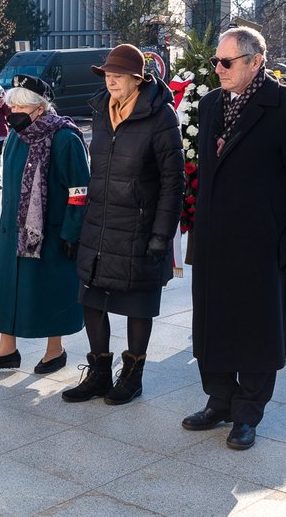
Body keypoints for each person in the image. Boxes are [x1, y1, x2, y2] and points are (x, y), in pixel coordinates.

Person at [182, 27, 286, 451]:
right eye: (216, 62)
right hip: (213, 236)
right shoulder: (210, 104)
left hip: (261, 239)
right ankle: (219, 400)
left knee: (258, 329)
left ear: (255, 61)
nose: (218, 69)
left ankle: (247, 413)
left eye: (227, 62)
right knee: (213, 323)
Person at [62, 44, 183, 406]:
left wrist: (161, 233)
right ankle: (99, 374)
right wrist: (79, 223)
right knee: (91, 299)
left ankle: (132, 377)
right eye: (107, 75)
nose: (110, 81)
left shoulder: (161, 116)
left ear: (137, 79)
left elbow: (173, 181)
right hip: (99, 223)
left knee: (138, 303)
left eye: (118, 76)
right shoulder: (101, 111)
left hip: (139, 227)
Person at [0, 74, 89, 374]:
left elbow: (80, 190)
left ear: (40, 108)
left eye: (20, 108)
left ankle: (55, 350)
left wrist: (72, 232)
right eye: (11, 107)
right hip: (13, 230)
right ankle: (7, 349)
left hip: (50, 232)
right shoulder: (16, 136)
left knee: (51, 290)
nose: (13, 114)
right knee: (10, 289)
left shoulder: (65, 138)